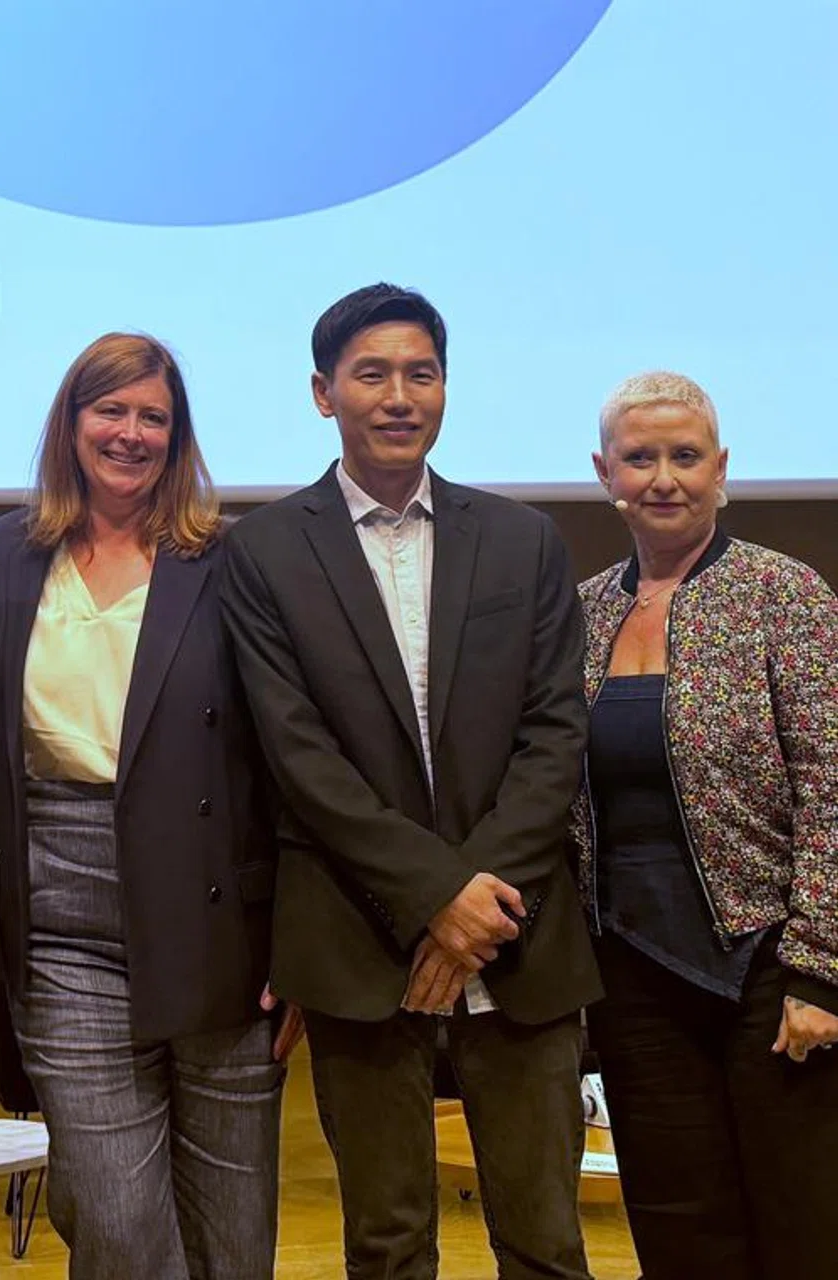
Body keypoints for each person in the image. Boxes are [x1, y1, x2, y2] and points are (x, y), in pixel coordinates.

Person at [222, 283, 601, 1280]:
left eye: (421, 373)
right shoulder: (260, 553)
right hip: (357, 941)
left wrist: (478, 902)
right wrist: (436, 897)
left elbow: (555, 734)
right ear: (323, 392)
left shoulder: (523, 539)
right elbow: (296, 754)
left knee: (548, 1242)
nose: (399, 395)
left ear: (445, 387)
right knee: (387, 1246)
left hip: (520, 934)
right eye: (372, 373)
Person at [0, 332, 300, 1278]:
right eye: (108, 411)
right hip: (61, 922)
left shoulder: (232, 561)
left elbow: (286, 762)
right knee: (119, 1224)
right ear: (70, 424)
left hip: (220, 922)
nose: (129, 434)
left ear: (178, 433)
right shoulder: (1, 556)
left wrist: (298, 944)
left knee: (233, 1240)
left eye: (151, 416)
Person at [572, 371, 838, 1279]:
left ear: (721, 469)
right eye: (640, 458)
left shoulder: (784, 595)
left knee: (801, 1221)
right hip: (634, 969)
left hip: (770, 968)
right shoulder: (581, 612)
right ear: (605, 471)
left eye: (685, 457)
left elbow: (832, 790)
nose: (663, 478)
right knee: (679, 1228)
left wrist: (819, 971)